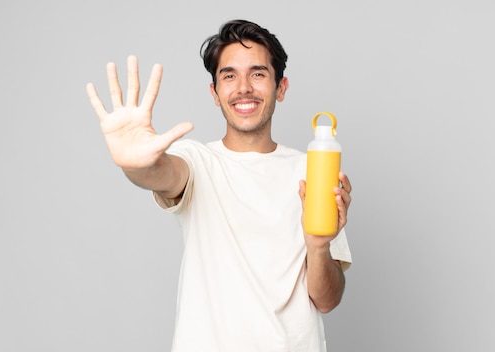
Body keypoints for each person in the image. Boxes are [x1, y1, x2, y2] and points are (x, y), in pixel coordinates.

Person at [86, 19, 353, 352]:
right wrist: (136, 164)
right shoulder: (197, 160)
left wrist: (318, 246)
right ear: (214, 93)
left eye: (257, 73)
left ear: (281, 87)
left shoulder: (314, 170)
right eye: (229, 76)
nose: (243, 88)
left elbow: (326, 301)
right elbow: (164, 175)